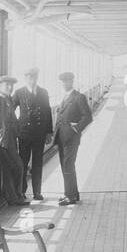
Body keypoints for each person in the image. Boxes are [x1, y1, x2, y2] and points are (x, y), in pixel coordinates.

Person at [0, 75, 28, 206]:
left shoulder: (7, 98)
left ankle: (13, 198)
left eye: (11, 85)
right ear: (0, 86)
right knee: (18, 166)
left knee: (10, 168)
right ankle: (16, 197)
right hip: (3, 140)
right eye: (7, 85)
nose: (10, 87)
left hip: (10, 138)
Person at [53, 71, 92, 206]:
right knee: (66, 166)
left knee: (68, 165)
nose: (65, 84)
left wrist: (77, 128)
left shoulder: (78, 97)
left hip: (71, 138)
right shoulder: (63, 97)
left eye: (67, 82)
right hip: (61, 138)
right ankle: (71, 194)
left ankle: (70, 196)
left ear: (72, 82)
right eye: (63, 82)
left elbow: (88, 117)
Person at [13, 67, 52, 200]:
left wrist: (49, 132)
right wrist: (15, 126)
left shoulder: (43, 92)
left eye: (34, 77)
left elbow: (47, 112)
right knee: (23, 162)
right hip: (24, 133)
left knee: (37, 163)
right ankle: (22, 191)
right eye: (30, 78)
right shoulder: (19, 93)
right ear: (26, 79)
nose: (32, 80)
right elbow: (10, 110)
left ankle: (37, 192)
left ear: (37, 78)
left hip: (39, 133)